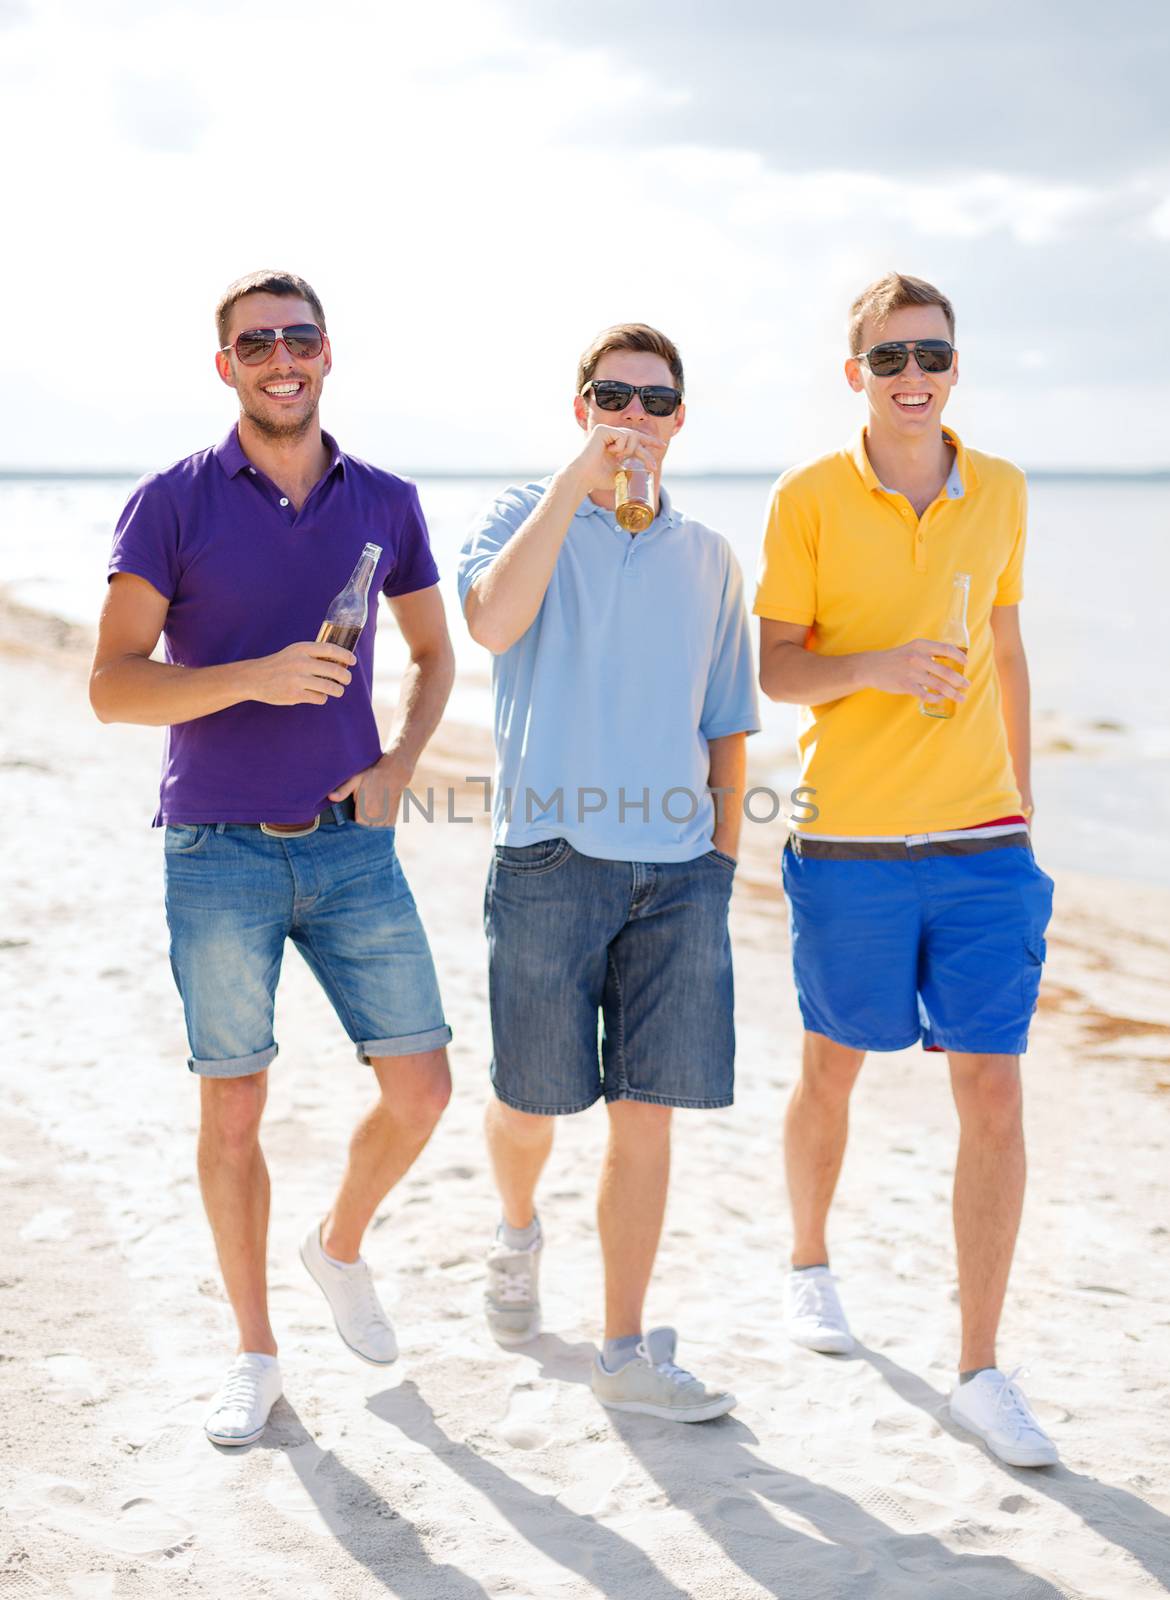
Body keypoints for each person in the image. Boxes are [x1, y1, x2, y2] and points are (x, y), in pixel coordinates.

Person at [89, 270, 455, 1448]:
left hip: (353, 848)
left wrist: (400, 761)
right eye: (257, 342)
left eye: (299, 337)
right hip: (217, 852)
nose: (281, 357)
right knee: (234, 1107)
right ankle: (254, 1353)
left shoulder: (386, 502)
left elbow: (435, 654)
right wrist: (253, 674)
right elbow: (109, 685)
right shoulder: (171, 503)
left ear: (329, 352)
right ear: (226, 366)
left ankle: (337, 1243)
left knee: (424, 1089)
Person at [755, 272, 1059, 1469]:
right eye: (889, 359)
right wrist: (879, 665)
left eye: (930, 353)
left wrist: (1022, 802)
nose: (913, 374)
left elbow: (1008, 646)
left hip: (985, 845)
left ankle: (981, 1368)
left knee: (992, 1092)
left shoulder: (1007, 490)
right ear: (857, 376)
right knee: (833, 1065)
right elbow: (779, 668)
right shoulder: (808, 497)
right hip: (851, 844)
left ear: (954, 362)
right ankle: (808, 1263)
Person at [458, 323, 759, 1422]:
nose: (632, 414)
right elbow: (492, 620)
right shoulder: (517, 517)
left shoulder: (712, 557)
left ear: (681, 418)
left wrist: (723, 861)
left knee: (648, 1117)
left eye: (652, 398)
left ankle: (623, 1344)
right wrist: (576, 482)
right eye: (610, 395)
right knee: (529, 1103)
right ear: (581, 405)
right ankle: (514, 1230)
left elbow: (729, 724)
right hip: (548, 860)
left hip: (679, 874)